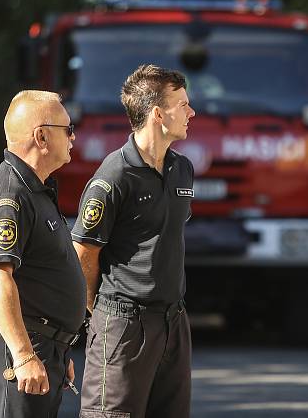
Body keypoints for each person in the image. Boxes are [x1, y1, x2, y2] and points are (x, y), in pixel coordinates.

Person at [73, 65, 196, 417]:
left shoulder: (182, 168)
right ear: (158, 114)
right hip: (123, 324)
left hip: (173, 322)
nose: (192, 113)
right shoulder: (113, 176)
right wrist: (102, 313)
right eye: (183, 105)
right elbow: (84, 252)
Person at [0, 90, 87, 418]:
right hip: (12, 350)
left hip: (41, 347)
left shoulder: (36, 190)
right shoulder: (9, 194)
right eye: (68, 128)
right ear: (42, 136)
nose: (74, 137)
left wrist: (57, 349)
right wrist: (23, 355)